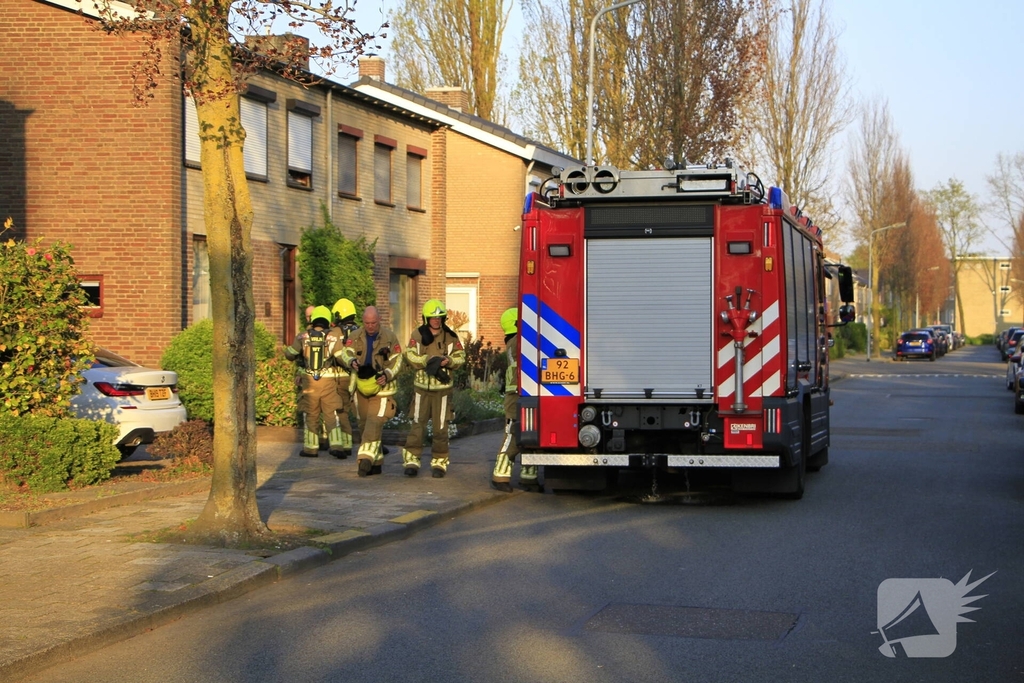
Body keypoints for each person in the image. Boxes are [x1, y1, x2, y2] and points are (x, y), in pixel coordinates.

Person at [400, 299, 465, 478]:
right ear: (426, 318)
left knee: (440, 428)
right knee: (417, 426)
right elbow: (409, 354)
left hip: (443, 390)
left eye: (439, 318)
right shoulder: (417, 335)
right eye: (432, 318)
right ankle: (412, 460)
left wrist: (449, 361)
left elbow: (461, 357)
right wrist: (425, 361)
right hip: (421, 389)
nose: (436, 321)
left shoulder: (451, 337)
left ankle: (439, 461)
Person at [338, 306, 404, 477]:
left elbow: (397, 360)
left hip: (382, 389)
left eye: (373, 323)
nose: (370, 326)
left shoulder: (389, 337)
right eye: (367, 323)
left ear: (379, 320)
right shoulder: (355, 336)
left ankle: (364, 459)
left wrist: (387, 374)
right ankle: (377, 463)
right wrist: (351, 361)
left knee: (374, 423)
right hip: (360, 386)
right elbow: (346, 353)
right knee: (363, 424)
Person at [284, 305, 349, 458]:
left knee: (311, 414)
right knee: (331, 413)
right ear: (328, 319)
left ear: (313, 320)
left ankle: (310, 449)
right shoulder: (332, 337)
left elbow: (290, 354)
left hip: (309, 382)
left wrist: (291, 352)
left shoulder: (302, 336)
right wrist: (352, 362)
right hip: (328, 381)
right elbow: (342, 357)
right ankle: (337, 446)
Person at [491, 307, 541, 492]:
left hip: (523, 394)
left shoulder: (514, 341)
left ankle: (529, 478)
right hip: (516, 396)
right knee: (513, 434)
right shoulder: (518, 342)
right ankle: (500, 476)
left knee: (530, 435)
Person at [329, 298, 360, 458]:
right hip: (357, 378)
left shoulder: (335, 333)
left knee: (340, 410)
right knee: (360, 411)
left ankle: (345, 445)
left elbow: (335, 353)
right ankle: (375, 443)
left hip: (339, 378)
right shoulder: (359, 330)